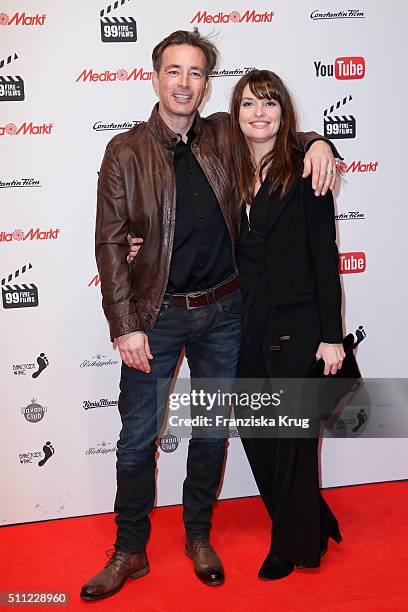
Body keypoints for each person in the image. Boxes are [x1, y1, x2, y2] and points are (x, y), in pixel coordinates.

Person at [81, 30, 339, 601]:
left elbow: (278, 131)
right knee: (136, 438)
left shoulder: (221, 133)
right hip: (158, 317)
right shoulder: (125, 151)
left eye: (195, 73)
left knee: (211, 432)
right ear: (155, 78)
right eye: (173, 71)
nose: (184, 83)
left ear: (206, 83)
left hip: (226, 312)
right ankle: (129, 550)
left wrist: (321, 142)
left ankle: (198, 535)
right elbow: (109, 242)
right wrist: (125, 324)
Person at [232, 69, 345, 579]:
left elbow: (325, 255)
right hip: (242, 325)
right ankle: (309, 517)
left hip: (299, 323)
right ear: (235, 114)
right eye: (249, 104)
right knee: (258, 432)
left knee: (294, 435)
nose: (259, 113)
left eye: (269, 103)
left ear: (284, 113)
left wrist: (331, 336)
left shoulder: (305, 168)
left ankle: (294, 545)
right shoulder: (225, 167)